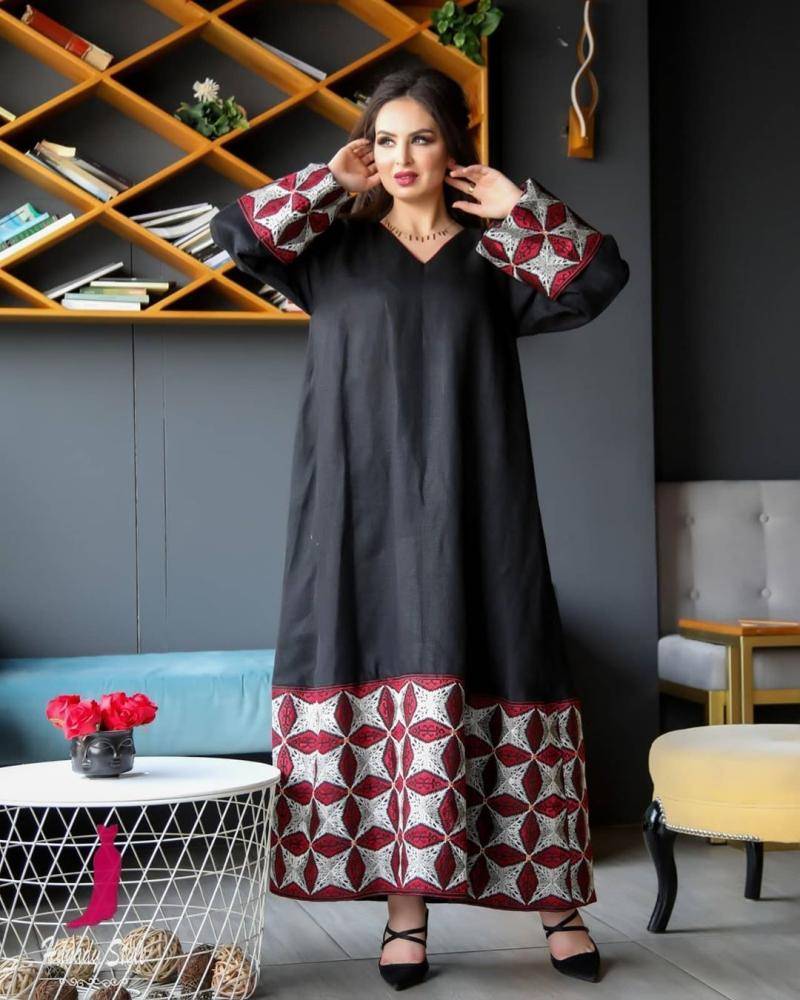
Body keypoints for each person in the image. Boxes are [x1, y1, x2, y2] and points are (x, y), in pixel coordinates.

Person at [210, 65, 629, 991]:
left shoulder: (497, 256)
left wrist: (521, 208)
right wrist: (328, 184)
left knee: (509, 662)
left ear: (454, 150)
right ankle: (405, 915)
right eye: (386, 140)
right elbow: (234, 234)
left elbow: (600, 278)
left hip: (481, 506)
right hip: (355, 514)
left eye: (423, 138)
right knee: (374, 661)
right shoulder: (329, 251)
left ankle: (556, 903)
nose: (403, 158)